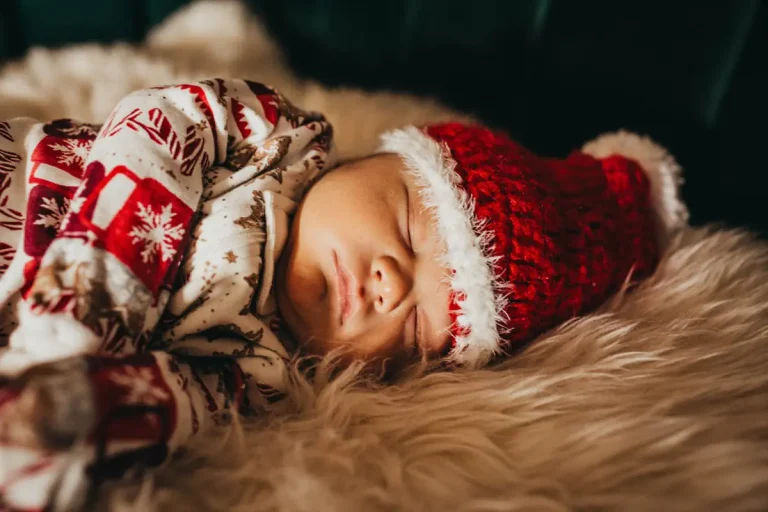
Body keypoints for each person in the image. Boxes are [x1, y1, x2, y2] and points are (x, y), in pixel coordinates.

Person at [0, 78, 686, 510]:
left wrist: (66, 427)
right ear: (370, 162)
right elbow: (155, 126)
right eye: (408, 229)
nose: (391, 285)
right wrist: (79, 322)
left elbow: (181, 402)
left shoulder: (266, 373)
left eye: (420, 326)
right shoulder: (271, 139)